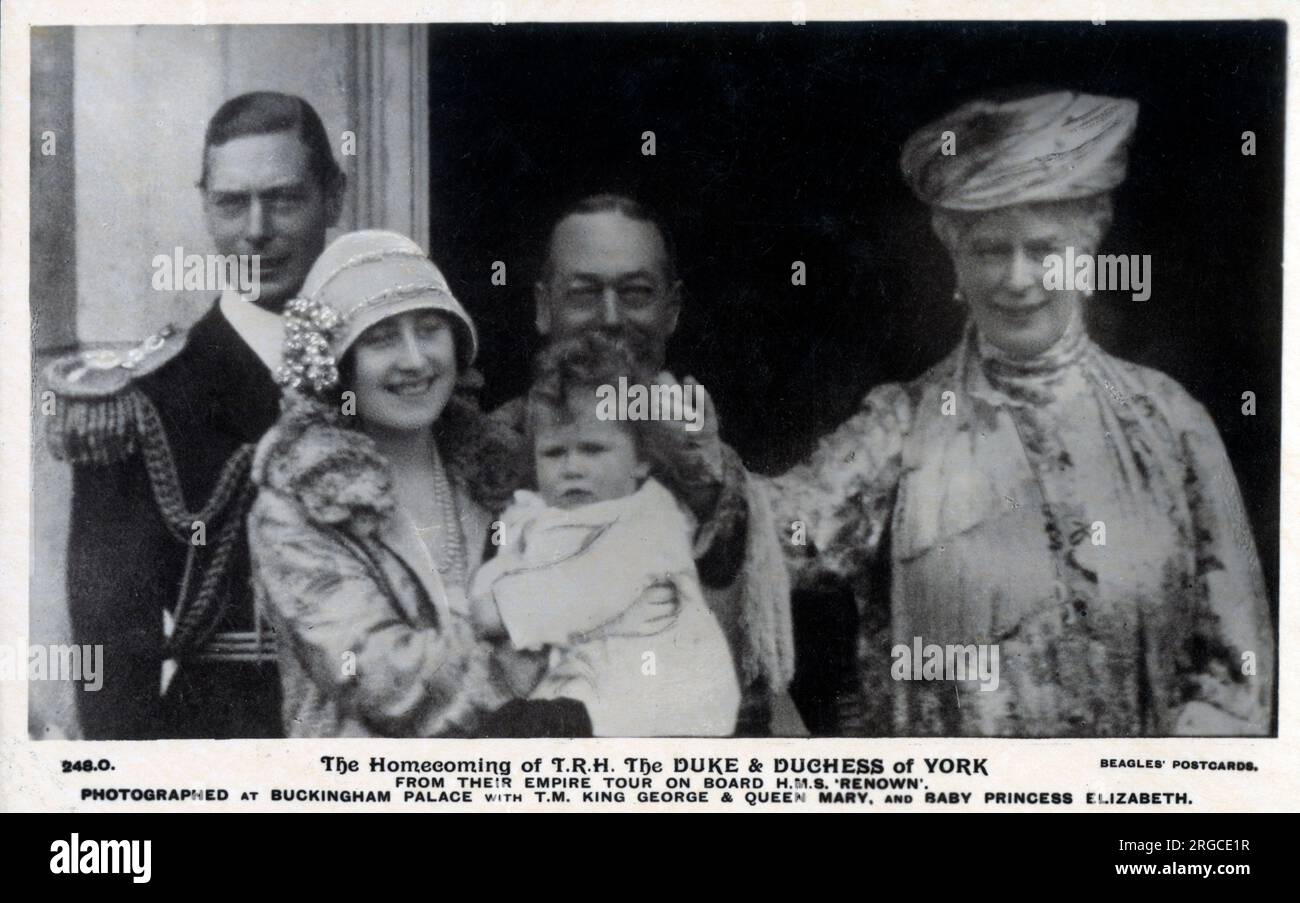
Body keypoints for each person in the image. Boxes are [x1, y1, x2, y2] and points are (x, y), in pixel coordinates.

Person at [768, 90, 1275, 736]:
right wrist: (688, 468)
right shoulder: (901, 427)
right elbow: (779, 537)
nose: (1016, 277)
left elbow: (1239, 668)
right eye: (988, 249)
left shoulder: (1171, 423)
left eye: (1042, 249)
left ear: (1088, 248)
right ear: (954, 257)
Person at [47, 92, 344, 738]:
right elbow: (112, 656)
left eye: (284, 199)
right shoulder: (144, 402)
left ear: (334, 199)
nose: (256, 229)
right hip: (223, 738)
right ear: (206, 209)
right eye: (232, 203)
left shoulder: (388, 371)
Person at [248, 229, 604, 737]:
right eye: (381, 338)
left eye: (430, 329)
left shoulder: (505, 473)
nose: (415, 360)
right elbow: (385, 682)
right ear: (338, 366)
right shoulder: (296, 505)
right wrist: (532, 644)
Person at [489, 194, 798, 733]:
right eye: (584, 293)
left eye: (635, 293)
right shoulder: (493, 451)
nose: (610, 318)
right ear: (543, 307)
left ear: (672, 308)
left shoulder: (714, 461)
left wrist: (707, 488)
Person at [471, 331, 741, 737]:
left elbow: (580, 592)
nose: (572, 468)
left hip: (662, 701)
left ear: (641, 462)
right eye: (554, 453)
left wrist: (496, 610)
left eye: (593, 450)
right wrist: (488, 595)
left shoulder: (649, 520)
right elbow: (496, 575)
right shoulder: (534, 514)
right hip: (586, 687)